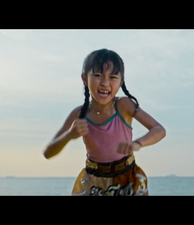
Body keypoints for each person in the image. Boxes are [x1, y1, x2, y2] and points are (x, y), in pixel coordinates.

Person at [43, 48, 166, 196]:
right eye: (98, 75)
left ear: (121, 83)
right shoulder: (79, 114)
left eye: (113, 77)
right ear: (84, 79)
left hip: (127, 178)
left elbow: (159, 129)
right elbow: (48, 153)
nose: (105, 83)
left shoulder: (123, 106)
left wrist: (137, 143)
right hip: (93, 181)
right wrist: (69, 135)